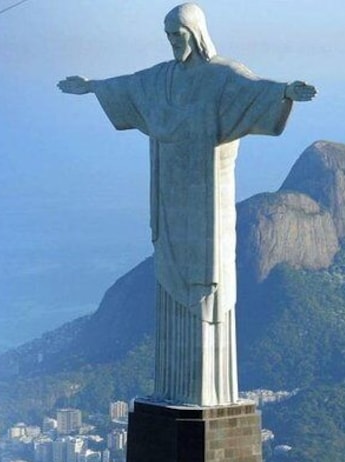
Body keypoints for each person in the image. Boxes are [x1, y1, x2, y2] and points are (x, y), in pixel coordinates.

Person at [58, 3, 316, 406]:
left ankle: (209, 393)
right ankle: (175, 390)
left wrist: (286, 92)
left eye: (177, 35)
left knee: (209, 280)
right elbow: (128, 86)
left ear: (195, 34)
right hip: (170, 198)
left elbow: (255, 90)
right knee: (170, 280)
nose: (173, 43)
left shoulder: (222, 76)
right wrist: (93, 86)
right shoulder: (161, 79)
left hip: (208, 202)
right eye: (168, 36)